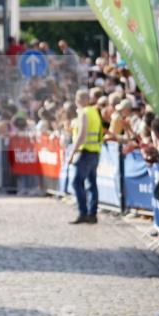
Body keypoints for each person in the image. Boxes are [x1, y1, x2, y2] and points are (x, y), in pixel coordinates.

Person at [67, 88, 103, 224]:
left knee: (77, 183)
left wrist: (72, 153)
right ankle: (92, 214)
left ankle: (83, 212)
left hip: (85, 152)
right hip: (95, 152)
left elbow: (82, 135)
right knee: (92, 183)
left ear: (79, 100)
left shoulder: (83, 113)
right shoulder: (94, 112)